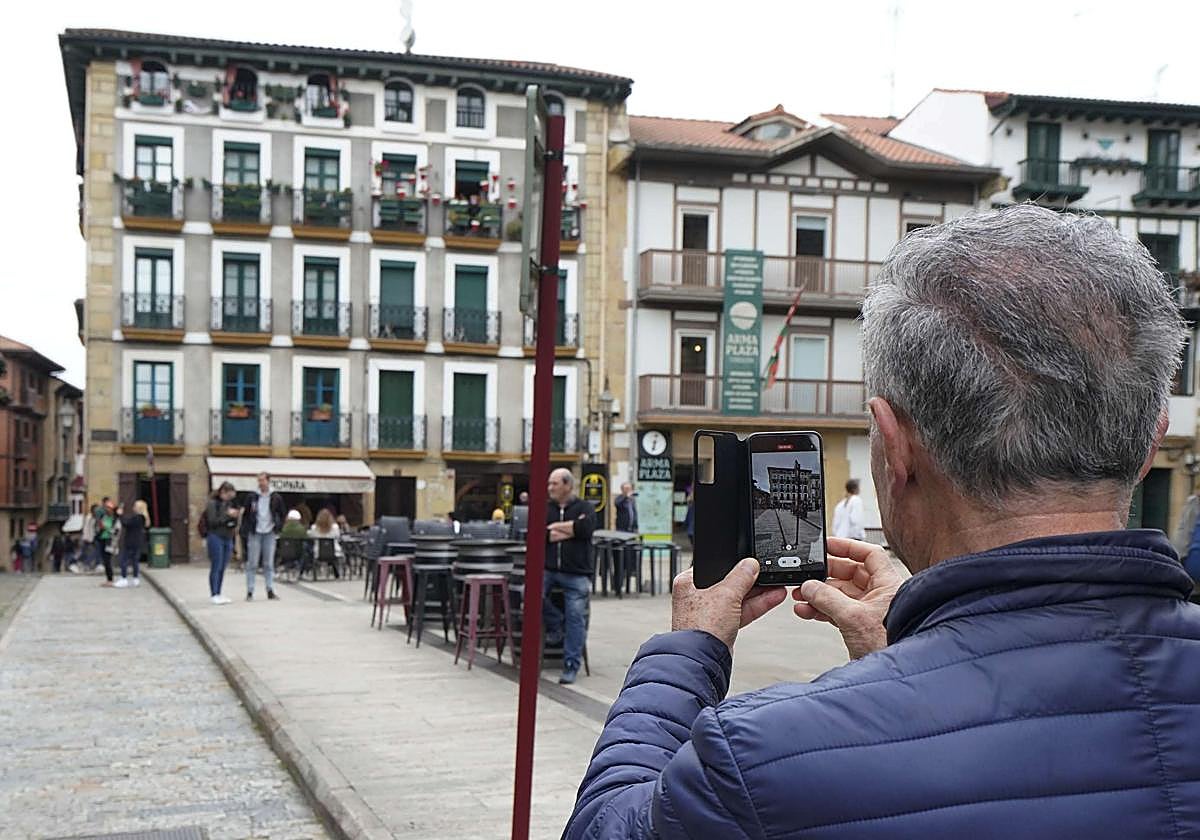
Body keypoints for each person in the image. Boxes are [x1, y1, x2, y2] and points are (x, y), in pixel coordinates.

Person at [564, 206, 1200, 838]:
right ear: (1150, 443)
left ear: (897, 449)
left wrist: (687, 652)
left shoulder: (760, 762)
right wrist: (904, 656)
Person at [544, 468, 596, 685]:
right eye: (549, 483)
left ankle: (570, 665)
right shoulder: (546, 508)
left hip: (576, 572)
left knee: (576, 616)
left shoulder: (585, 507)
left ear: (567, 485)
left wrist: (556, 528)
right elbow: (540, 533)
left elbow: (585, 529)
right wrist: (572, 529)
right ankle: (556, 623)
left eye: (554, 484)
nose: (550, 488)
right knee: (529, 593)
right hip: (548, 570)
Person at [240, 472, 285, 602]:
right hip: (255, 532)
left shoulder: (276, 497)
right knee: (252, 563)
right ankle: (250, 590)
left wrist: (278, 527)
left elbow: (282, 513)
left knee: (268, 563)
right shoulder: (252, 497)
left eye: (262, 480)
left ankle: (270, 589)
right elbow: (246, 514)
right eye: (259, 481)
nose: (260, 483)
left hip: (270, 532)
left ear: (268, 481)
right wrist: (246, 529)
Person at [205, 482, 240, 605]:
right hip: (215, 536)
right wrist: (227, 515)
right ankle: (214, 593)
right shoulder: (213, 504)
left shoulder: (229, 504)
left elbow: (232, 522)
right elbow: (212, 521)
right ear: (223, 492)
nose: (230, 498)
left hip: (228, 537)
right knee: (216, 565)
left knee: (223, 566)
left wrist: (235, 517)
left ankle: (219, 592)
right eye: (228, 495)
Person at [114, 500, 149, 588]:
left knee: (124, 560)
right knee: (134, 561)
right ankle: (135, 579)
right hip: (137, 542)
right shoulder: (142, 518)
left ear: (139, 508)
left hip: (131, 542)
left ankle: (124, 578)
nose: (133, 507)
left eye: (135, 506)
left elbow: (126, 523)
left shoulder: (138, 518)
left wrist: (120, 515)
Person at [308, 508, 342, 579]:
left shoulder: (314, 528)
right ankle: (336, 572)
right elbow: (338, 536)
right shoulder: (335, 527)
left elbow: (311, 536)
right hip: (334, 552)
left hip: (319, 552)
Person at [96, 499, 117, 587]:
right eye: (106, 508)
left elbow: (115, 531)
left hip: (110, 541)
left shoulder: (115, 519)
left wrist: (105, 528)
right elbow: (99, 527)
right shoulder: (103, 517)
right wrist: (100, 527)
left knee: (107, 560)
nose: (107, 510)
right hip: (102, 539)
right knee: (105, 560)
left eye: (109, 508)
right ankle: (108, 579)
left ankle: (110, 579)